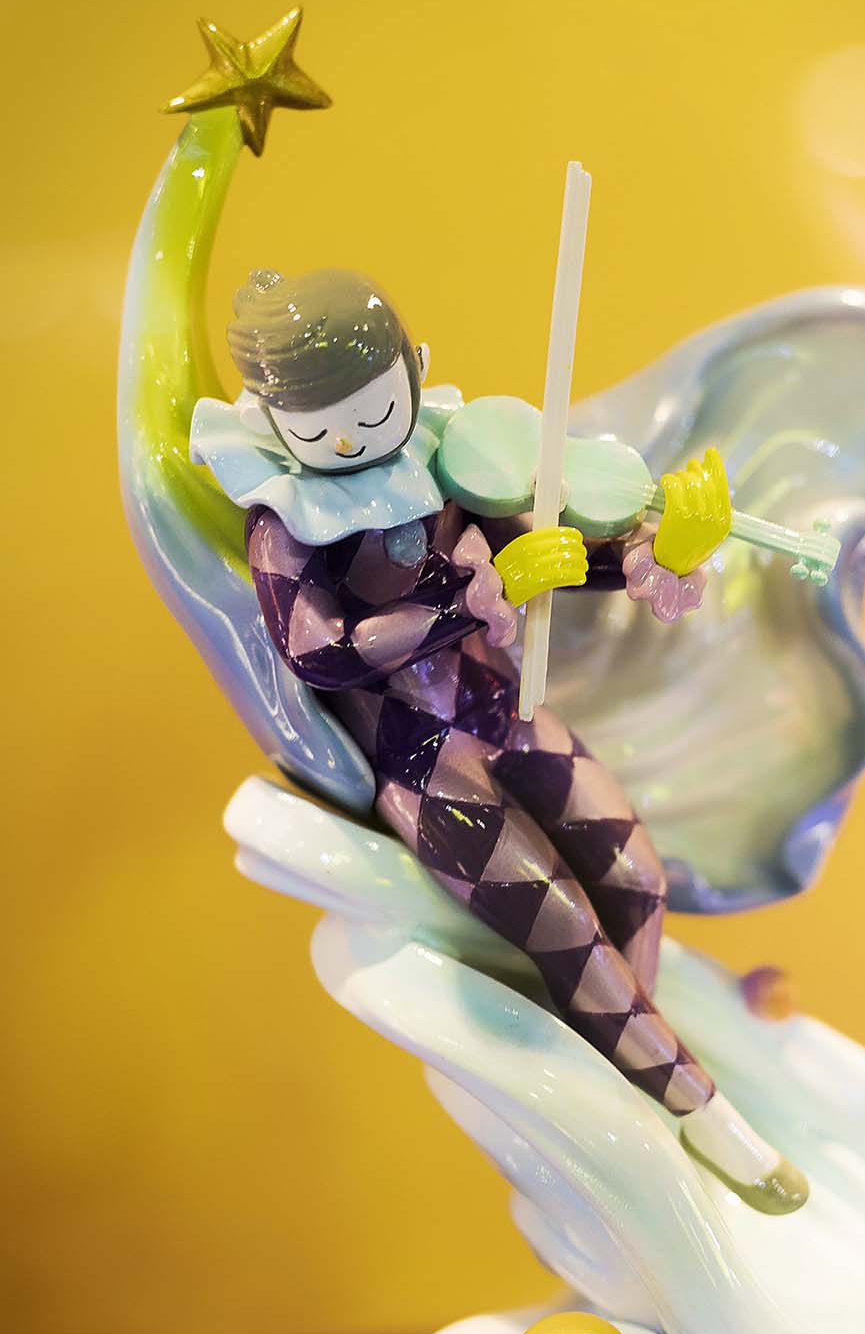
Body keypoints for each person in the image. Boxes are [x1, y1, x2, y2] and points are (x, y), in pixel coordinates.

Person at [191, 265, 809, 1214]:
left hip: (505, 711)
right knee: (564, 925)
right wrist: (462, 598)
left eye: (373, 410)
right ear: (276, 425)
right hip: (418, 761)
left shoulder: (449, 465)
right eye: (320, 427)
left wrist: (655, 555)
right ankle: (701, 1111)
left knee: (638, 881)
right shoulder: (287, 525)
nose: (350, 440)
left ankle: (619, 1080)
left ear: (414, 370)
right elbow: (322, 652)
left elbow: (549, 553)